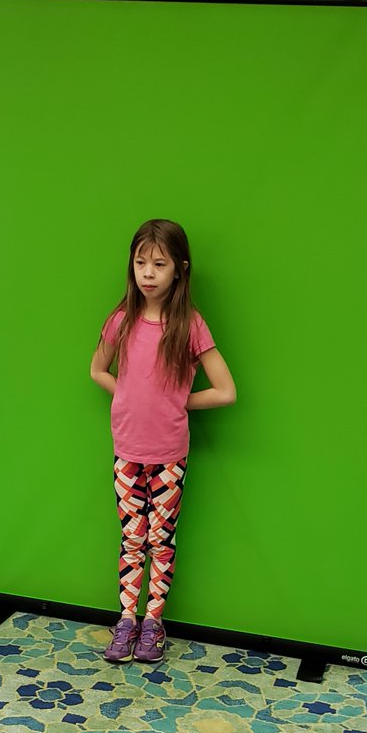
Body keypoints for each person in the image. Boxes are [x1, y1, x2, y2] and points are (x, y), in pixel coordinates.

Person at [90, 219, 236, 665]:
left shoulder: (190, 325)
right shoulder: (122, 320)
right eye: (140, 262)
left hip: (169, 455)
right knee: (132, 541)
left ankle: (154, 622)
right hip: (127, 452)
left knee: (161, 541)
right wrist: (134, 396)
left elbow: (226, 391)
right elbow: (98, 370)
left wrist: (176, 401)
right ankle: (127, 621)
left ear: (180, 270)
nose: (148, 273)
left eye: (159, 263)